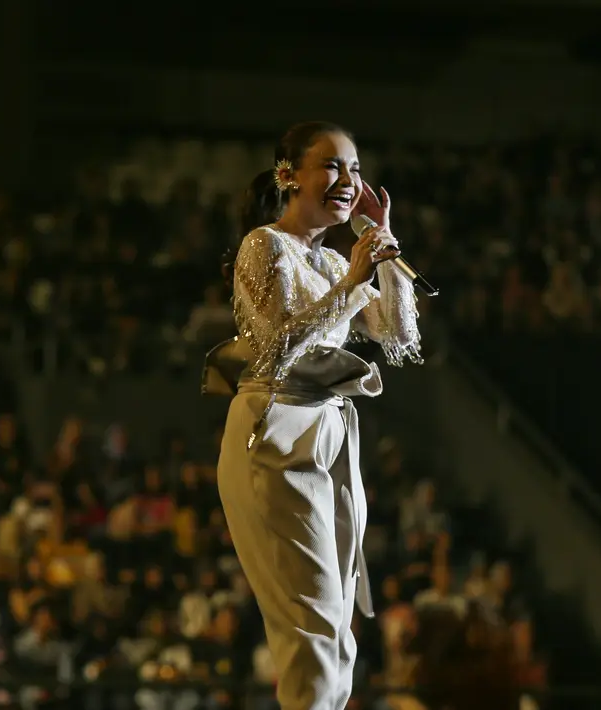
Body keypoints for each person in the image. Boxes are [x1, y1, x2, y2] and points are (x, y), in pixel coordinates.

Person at [203, 121, 422, 709]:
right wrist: (355, 278)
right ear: (288, 176)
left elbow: (399, 333)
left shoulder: (330, 261)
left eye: (353, 168)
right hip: (274, 430)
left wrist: (386, 246)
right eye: (331, 166)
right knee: (315, 622)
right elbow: (280, 346)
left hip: (329, 432)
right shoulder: (264, 245)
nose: (348, 180)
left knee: (340, 630)